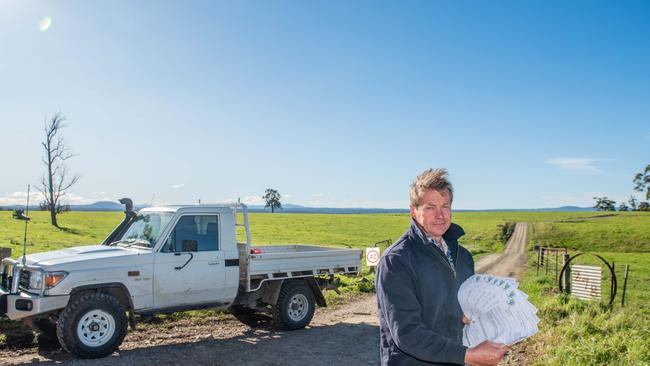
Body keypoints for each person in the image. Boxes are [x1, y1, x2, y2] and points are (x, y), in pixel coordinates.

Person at [376, 168, 508, 366]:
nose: (440, 215)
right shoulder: (396, 261)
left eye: (445, 206)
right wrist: (469, 355)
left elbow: (453, 307)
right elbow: (407, 333)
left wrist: (470, 315)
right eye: (430, 207)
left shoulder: (462, 256)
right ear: (413, 211)